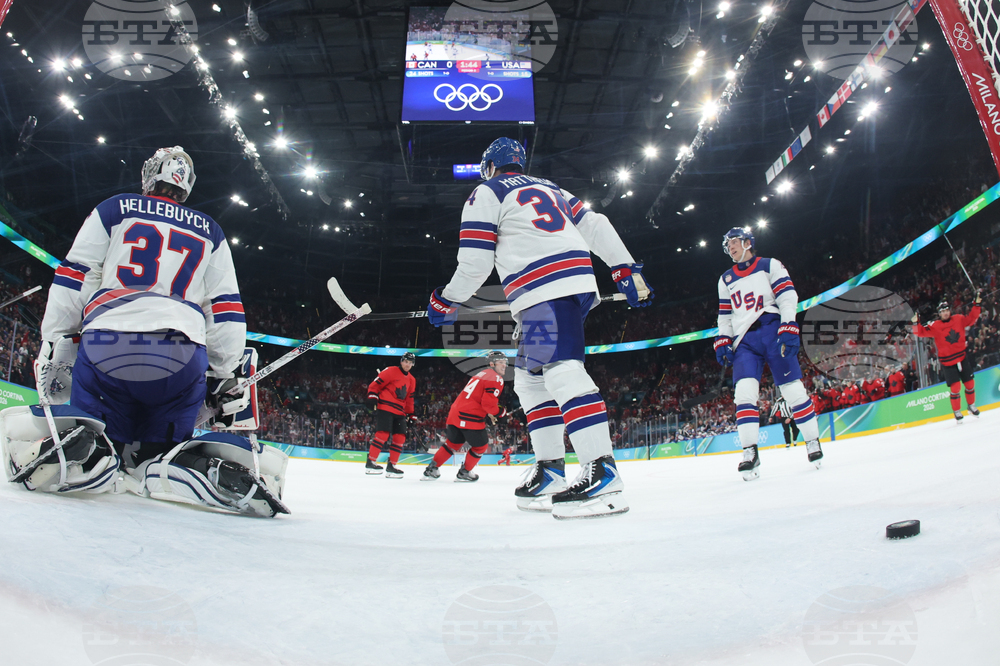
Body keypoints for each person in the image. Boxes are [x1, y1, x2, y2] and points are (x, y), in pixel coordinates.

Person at [11, 146, 287, 516]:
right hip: (181, 353)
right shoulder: (211, 231)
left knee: (107, 436)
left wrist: (58, 335)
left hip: (107, 345)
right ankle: (175, 466)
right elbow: (224, 307)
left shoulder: (114, 208)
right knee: (159, 449)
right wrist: (224, 371)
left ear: (150, 174)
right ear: (185, 185)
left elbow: (76, 274)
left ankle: (92, 453)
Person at [425, 137, 654, 519]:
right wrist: (623, 266)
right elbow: (595, 224)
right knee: (531, 380)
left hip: (542, 288)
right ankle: (551, 471)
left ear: (489, 166)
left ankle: (603, 471)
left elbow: (476, 264)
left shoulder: (487, 191)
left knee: (562, 370)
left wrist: (446, 300)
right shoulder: (551, 187)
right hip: (566, 284)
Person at [714, 227, 823, 481]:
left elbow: (787, 295)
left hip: (771, 329)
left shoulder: (769, 265)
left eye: (734, 241)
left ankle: (812, 441)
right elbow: (725, 315)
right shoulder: (725, 279)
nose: (730, 246)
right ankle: (749, 451)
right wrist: (722, 339)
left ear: (748, 242)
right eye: (727, 243)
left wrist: (789, 323)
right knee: (743, 395)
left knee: (793, 390)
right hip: (745, 340)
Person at [423, 351, 508, 482]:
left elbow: (479, 399)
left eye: (505, 363)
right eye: (501, 362)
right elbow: (488, 404)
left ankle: (431, 469)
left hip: (455, 413)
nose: (504, 365)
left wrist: (490, 413)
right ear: (492, 364)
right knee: (481, 446)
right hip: (469, 416)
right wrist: (501, 413)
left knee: (452, 444)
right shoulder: (496, 378)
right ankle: (465, 472)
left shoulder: (481, 374)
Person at [911, 294, 983, 422]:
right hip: (948, 362)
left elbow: (971, 319)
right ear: (939, 314)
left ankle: (971, 406)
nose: (945, 313)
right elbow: (920, 332)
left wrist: (976, 305)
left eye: (946, 310)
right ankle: (957, 411)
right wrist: (915, 323)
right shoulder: (935, 326)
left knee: (970, 384)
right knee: (955, 387)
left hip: (962, 357)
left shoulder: (959, 319)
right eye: (942, 311)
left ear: (950, 310)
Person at [365, 352, 417, 477]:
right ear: (401, 361)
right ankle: (371, 462)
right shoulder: (390, 371)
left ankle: (392, 466)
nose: (407, 365)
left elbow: (409, 399)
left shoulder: (412, 380)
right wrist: (372, 396)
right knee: (383, 434)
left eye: (410, 363)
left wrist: (411, 414)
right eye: (406, 362)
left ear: (413, 365)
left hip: (400, 411)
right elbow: (375, 385)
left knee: (400, 438)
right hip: (386, 407)